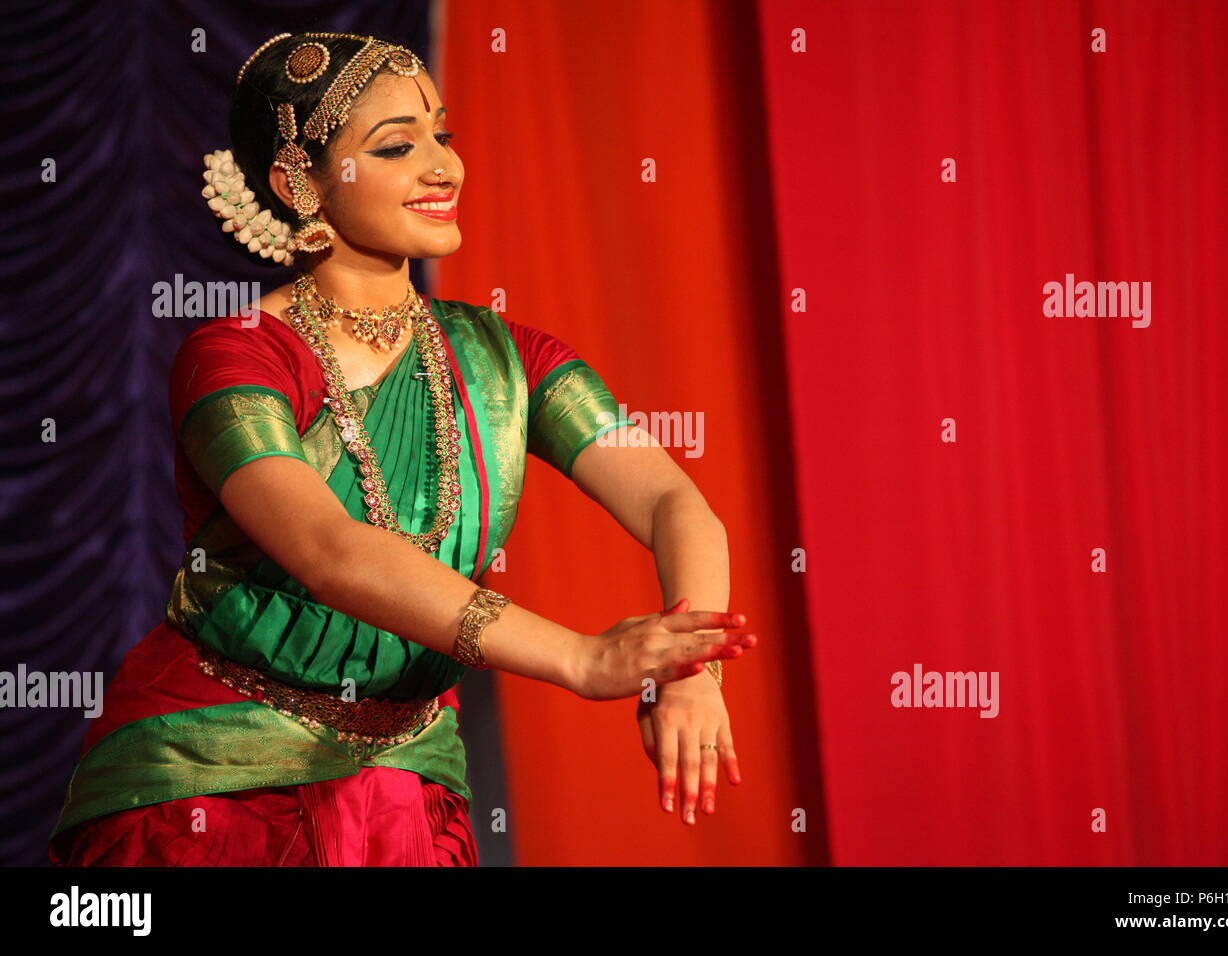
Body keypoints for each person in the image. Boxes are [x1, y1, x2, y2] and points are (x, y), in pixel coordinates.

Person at [48, 31, 756, 866]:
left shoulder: (507, 360)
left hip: (408, 778)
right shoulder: (238, 355)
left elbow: (677, 503)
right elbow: (329, 550)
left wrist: (690, 665)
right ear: (299, 183)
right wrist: (582, 657)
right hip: (220, 779)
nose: (444, 168)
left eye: (442, 136)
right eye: (396, 146)